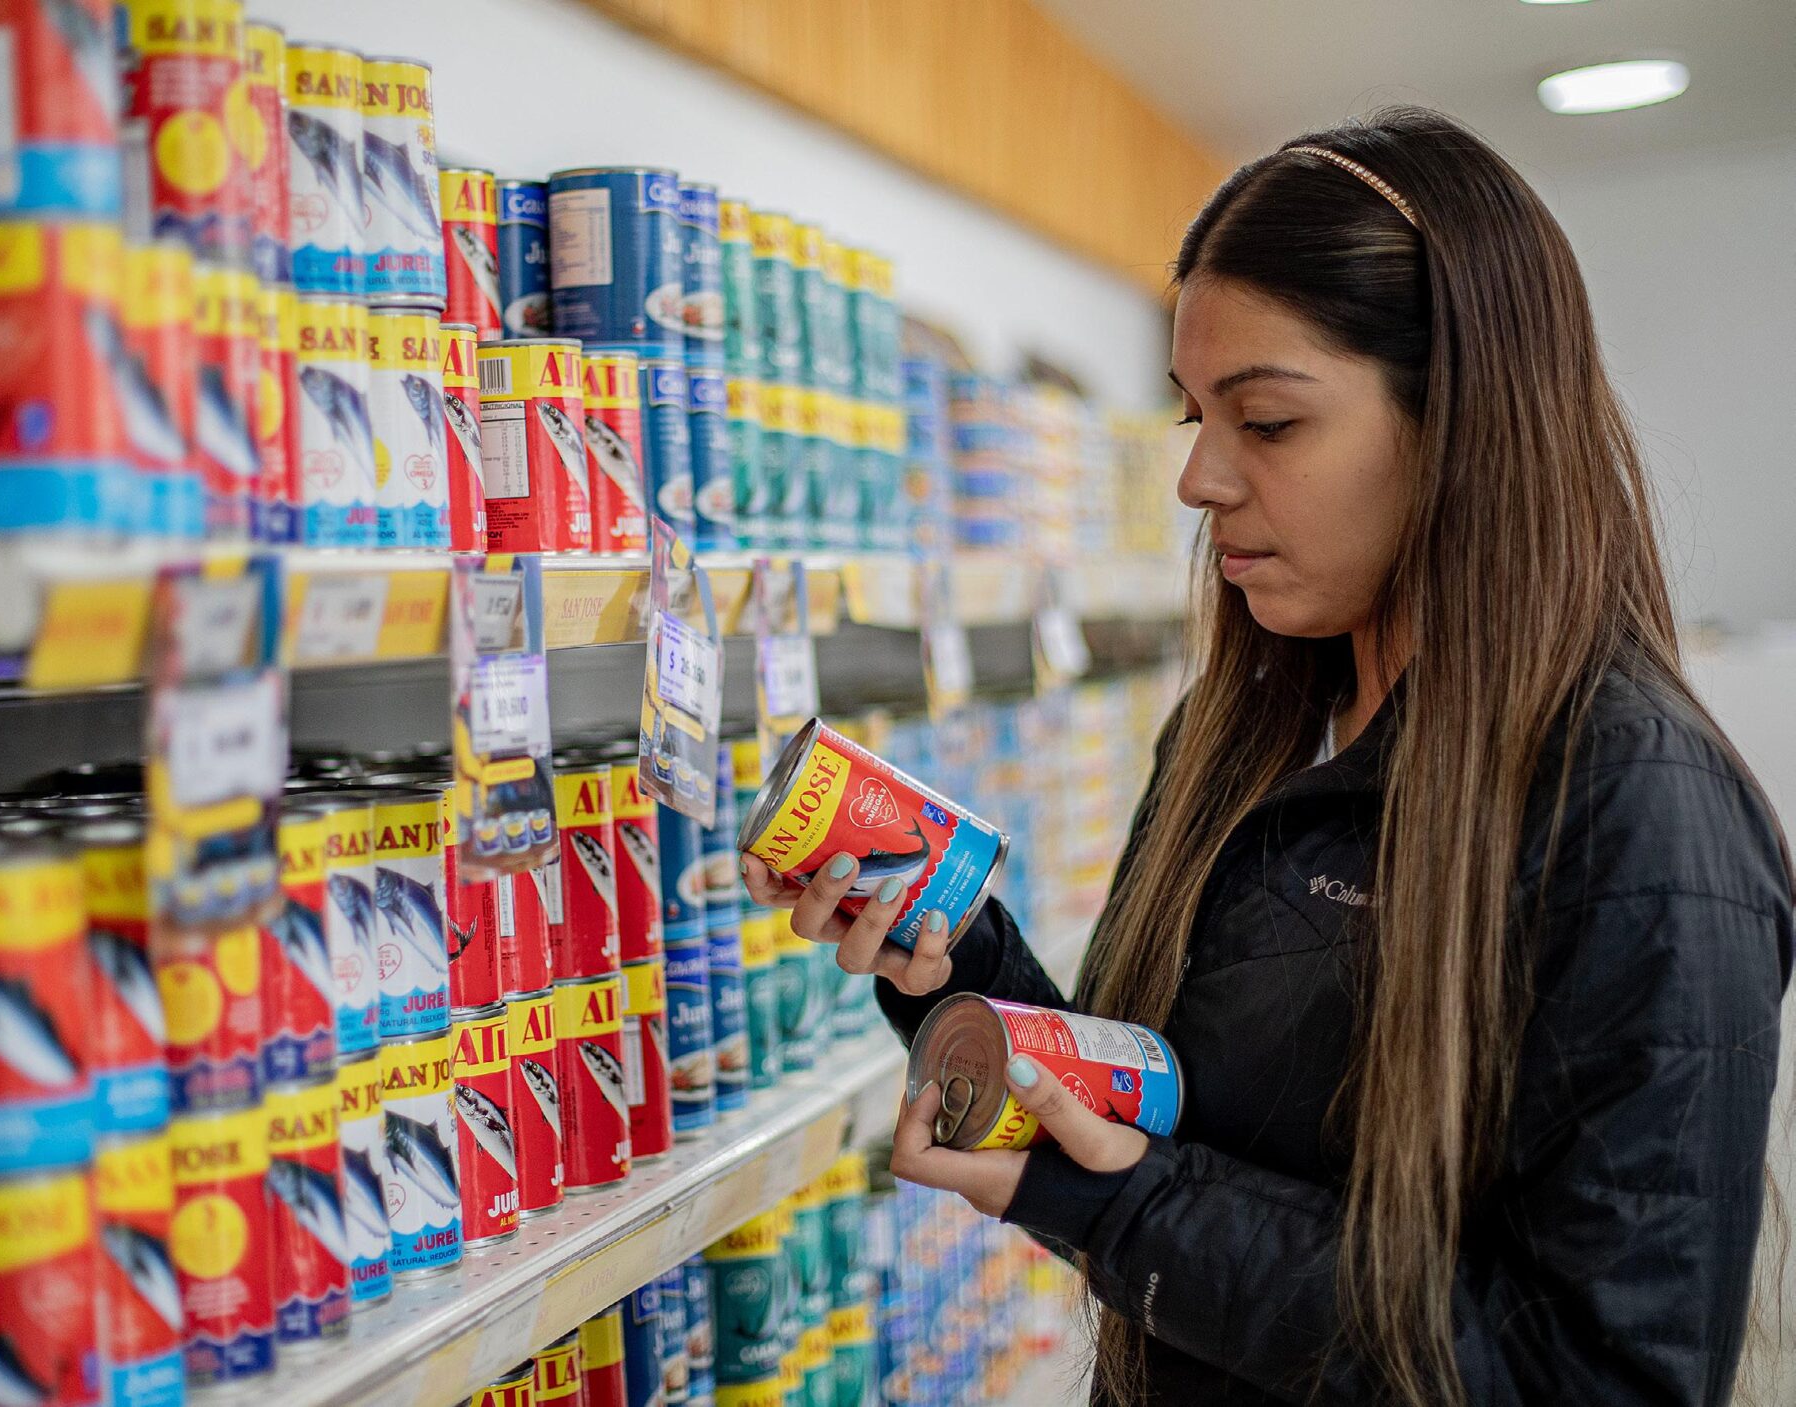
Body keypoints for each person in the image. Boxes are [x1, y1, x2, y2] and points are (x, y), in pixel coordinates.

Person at [742, 108, 1794, 1405]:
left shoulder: (1633, 809)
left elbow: (1603, 1377)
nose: (1196, 479)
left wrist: (1127, 1208)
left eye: (1270, 423)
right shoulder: (1237, 735)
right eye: (1193, 412)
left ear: (1463, 424)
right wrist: (958, 969)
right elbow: (1164, 1105)